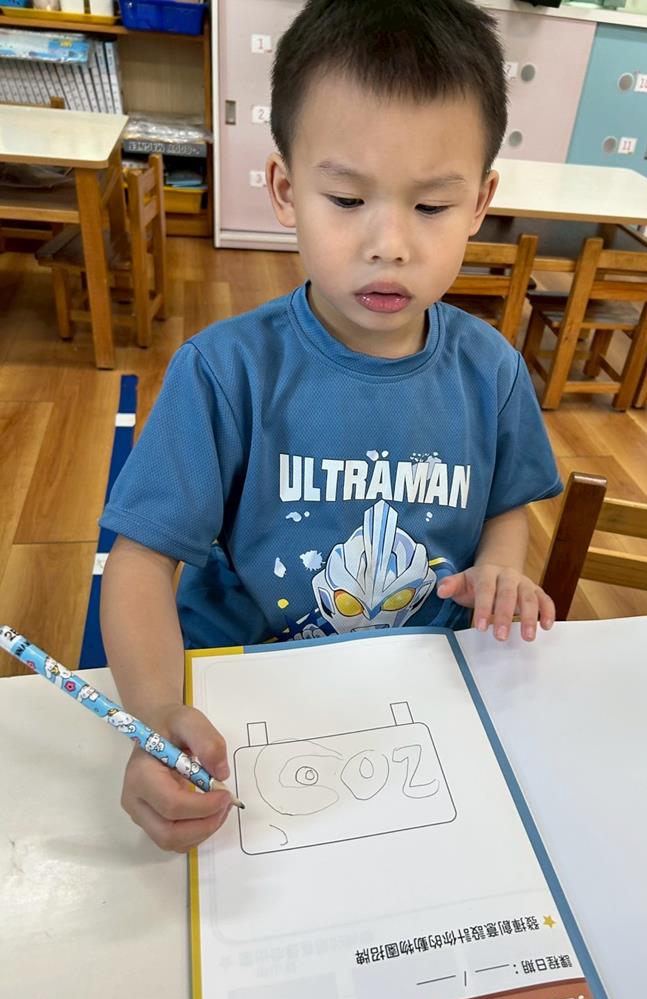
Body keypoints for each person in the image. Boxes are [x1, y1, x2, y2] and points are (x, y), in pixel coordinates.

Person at [100, 0, 562, 852]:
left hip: (422, 689)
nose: (390, 244)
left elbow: (508, 502)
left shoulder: (491, 368)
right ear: (285, 190)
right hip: (248, 697)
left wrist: (500, 568)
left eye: (432, 207)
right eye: (347, 198)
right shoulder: (225, 371)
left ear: (479, 203)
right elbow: (140, 561)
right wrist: (157, 711)